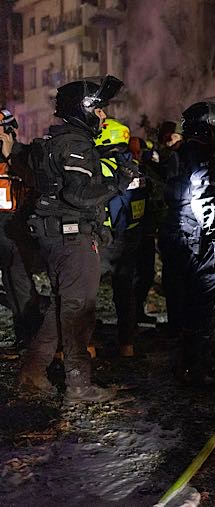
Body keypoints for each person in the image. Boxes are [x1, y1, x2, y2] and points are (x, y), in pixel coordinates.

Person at [19, 76, 135, 402]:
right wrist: (119, 182)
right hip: (71, 240)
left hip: (59, 235)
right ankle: (79, 385)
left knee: (61, 308)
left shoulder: (59, 141)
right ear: (83, 109)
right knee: (79, 312)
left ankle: (32, 371)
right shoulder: (75, 144)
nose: (102, 116)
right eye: (98, 109)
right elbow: (79, 194)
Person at [159, 97, 215, 383]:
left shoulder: (190, 151)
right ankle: (194, 369)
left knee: (193, 304)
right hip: (197, 239)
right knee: (202, 304)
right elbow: (204, 197)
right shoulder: (200, 154)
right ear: (206, 128)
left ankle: (195, 361)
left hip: (187, 236)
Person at [96, 118, 147, 357]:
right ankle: (127, 344)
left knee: (88, 294)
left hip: (107, 237)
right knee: (125, 291)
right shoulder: (134, 166)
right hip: (130, 236)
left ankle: (88, 345)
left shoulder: (104, 166)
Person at [0, 108, 43, 349]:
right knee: (10, 284)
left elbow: (35, 183)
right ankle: (23, 336)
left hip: (17, 230)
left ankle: (31, 336)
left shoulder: (24, 155)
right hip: (2, 233)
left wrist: (10, 156)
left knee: (20, 284)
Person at [133, 121, 180, 325]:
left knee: (147, 271)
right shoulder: (147, 165)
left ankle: (135, 312)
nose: (171, 140)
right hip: (142, 227)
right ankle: (132, 313)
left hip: (154, 224)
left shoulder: (168, 160)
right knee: (140, 271)